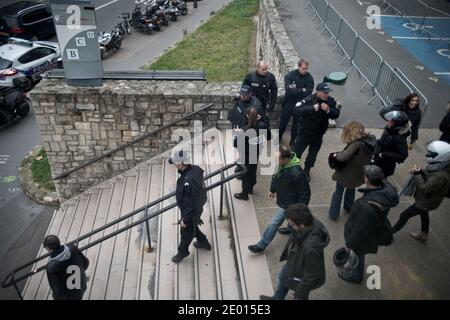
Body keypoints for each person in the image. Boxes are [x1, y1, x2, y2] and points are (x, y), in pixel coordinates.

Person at [339, 165, 399, 284]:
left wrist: (349, 244)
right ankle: (357, 274)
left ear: (366, 180)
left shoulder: (367, 207)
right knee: (360, 255)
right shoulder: (385, 192)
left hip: (363, 238)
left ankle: (356, 277)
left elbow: (360, 231)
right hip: (373, 229)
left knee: (358, 255)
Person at [259, 203, 330, 300]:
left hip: (302, 273)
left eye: (292, 224)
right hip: (295, 262)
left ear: (301, 225)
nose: (290, 227)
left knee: (300, 295)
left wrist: (299, 293)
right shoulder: (309, 222)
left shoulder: (311, 248)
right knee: (283, 278)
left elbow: (310, 275)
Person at [248, 146, 310, 253]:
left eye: (278, 159)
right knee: (290, 221)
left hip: (290, 205)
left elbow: (305, 193)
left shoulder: (297, 174)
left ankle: (261, 245)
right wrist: (272, 189)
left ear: (285, 159)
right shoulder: (282, 165)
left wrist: (299, 210)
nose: (275, 161)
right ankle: (290, 228)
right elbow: (275, 177)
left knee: (274, 223)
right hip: (285, 199)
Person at [392, 140, 450, 243]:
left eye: (431, 154)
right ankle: (424, 236)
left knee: (404, 215)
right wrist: (421, 171)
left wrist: (417, 175)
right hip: (428, 202)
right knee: (424, 214)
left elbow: (425, 189)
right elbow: (430, 176)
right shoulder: (441, 166)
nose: (428, 155)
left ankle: (389, 234)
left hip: (425, 201)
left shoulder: (440, 176)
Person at [169, 150, 212, 263]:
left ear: (180, 163)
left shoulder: (188, 181)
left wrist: (185, 219)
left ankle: (182, 252)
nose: (174, 165)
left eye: (175, 162)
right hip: (197, 208)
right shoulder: (196, 170)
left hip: (191, 211)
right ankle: (203, 242)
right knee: (193, 226)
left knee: (185, 232)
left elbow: (190, 203)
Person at [328, 122, 377, 221]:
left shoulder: (356, 144)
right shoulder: (369, 142)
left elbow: (342, 157)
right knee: (351, 189)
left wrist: (335, 155)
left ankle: (333, 213)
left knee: (338, 192)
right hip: (358, 173)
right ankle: (348, 206)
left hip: (347, 173)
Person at [293, 82, 341, 182]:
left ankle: (307, 171)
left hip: (318, 135)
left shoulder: (330, 101)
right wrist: (311, 108)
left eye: (328, 92)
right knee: (297, 154)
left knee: (312, 156)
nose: (327, 95)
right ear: (318, 92)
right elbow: (296, 109)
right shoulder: (309, 99)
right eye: (325, 93)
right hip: (304, 134)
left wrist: (328, 110)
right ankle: (294, 170)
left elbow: (336, 114)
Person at [233, 106, 270, 200]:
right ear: (258, 116)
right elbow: (268, 136)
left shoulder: (244, 130)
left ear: (247, 116)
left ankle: (244, 194)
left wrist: (237, 134)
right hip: (256, 151)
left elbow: (236, 144)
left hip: (246, 154)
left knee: (245, 174)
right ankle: (251, 188)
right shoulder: (262, 126)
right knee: (253, 170)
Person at [279, 59, 314, 148]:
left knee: (296, 125)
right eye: (303, 68)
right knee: (283, 123)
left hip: (300, 105)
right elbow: (289, 90)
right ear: (298, 67)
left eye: (306, 68)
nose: (305, 70)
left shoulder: (309, 78)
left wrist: (296, 90)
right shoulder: (290, 76)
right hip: (289, 103)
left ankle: (292, 141)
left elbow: (309, 93)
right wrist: (302, 89)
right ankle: (278, 138)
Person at [43, 235, 89, 300]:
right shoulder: (72, 248)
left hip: (70, 296)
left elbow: (58, 292)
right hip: (82, 285)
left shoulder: (51, 268)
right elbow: (86, 263)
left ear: (48, 248)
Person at [373, 110, 410, 178]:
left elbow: (402, 155)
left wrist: (385, 154)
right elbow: (384, 141)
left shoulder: (400, 139)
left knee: (378, 179)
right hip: (379, 158)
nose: (388, 122)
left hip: (385, 164)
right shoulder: (390, 130)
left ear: (397, 125)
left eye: (391, 121)